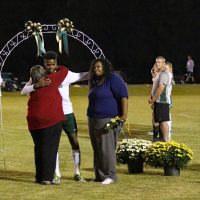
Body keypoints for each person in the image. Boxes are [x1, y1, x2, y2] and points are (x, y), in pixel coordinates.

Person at [21, 51, 88, 182]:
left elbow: (83, 76)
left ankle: (77, 172)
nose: (50, 67)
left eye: (52, 64)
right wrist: (36, 85)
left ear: (56, 64)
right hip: (51, 116)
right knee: (51, 146)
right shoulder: (40, 76)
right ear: (44, 64)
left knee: (74, 142)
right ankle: (55, 173)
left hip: (67, 113)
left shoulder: (65, 75)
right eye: (47, 64)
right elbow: (24, 90)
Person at [87, 58, 128, 185]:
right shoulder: (96, 81)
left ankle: (110, 175)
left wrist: (124, 116)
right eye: (94, 67)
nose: (96, 69)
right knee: (97, 148)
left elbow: (124, 97)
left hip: (106, 119)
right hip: (93, 118)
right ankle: (99, 175)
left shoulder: (113, 79)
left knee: (106, 148)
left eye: (99, 67)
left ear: (105, 67)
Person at [26, 65, 68, 185]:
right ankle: (47, 178)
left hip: (33, 122)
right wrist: (55, 67)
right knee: (50, 150)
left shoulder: (33, 87)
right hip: (50, 120)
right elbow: (64, 70)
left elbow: (23, 90)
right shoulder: (51, 80)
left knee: (39, 149)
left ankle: (39, 177)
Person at [149, 56, 170, 142]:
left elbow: (161, 88)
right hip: (158, 101)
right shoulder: (158, 74)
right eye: (156, 62)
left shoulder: (164, 74)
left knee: (163, 121)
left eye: (160, 62)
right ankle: (162, 139)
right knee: (159, 120)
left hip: (162, 101)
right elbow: (155, 87)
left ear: (164, 64)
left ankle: (166, 139)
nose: (157, 64)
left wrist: (153, 99)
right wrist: (151, 96)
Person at [165, 62, 174, 139]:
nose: (164, 70)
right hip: (168, 97)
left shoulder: (169, 75)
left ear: (170, 69)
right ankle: (168, 129)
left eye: (166, 69)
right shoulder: (169, 75)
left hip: (167, 98)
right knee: (167, 114)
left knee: (167, 114)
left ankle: (169, 129)